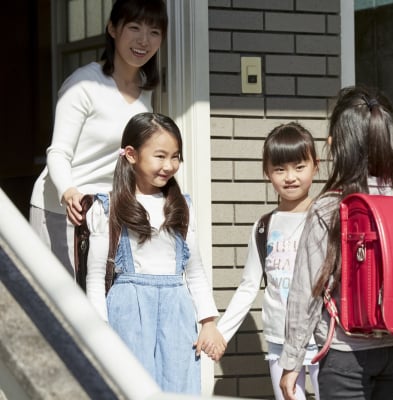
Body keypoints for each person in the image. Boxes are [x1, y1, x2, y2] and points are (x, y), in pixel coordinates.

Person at [279, 86, 393, 400]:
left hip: (346, 354)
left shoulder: (329, 207)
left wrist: (291, 361)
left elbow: (307, 289)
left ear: (339, 144)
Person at [85, 112, 226, 394]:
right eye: (160, 156)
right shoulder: (107, 207)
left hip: (177, 311)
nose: (169, 165)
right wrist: (99, 330)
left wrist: (208, 322)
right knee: (130, 388)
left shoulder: (182, 206)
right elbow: (96, 276)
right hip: (127, 310)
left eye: (175, 157)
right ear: (131, 154)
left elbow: (194, 271)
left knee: (179, 388)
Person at [30, 0, 167, 275]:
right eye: (134, 27)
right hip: (63, 209)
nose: (144, 40)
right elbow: (58, 152)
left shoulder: (146, 90)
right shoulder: (83, 84)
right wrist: (69, 191)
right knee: (61, 297)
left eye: (154, 31)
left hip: (107, 212)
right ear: (113, 29)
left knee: (101, 297)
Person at [217, 122, 320, 400]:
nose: (290, 177)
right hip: (279, 340)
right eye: (280, 169)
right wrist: (221, 333)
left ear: (316, 166)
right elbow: (248, 286)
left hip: (323, 338)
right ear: (267, 172)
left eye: (299, 167)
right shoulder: (264, 227)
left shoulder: (327, 219)